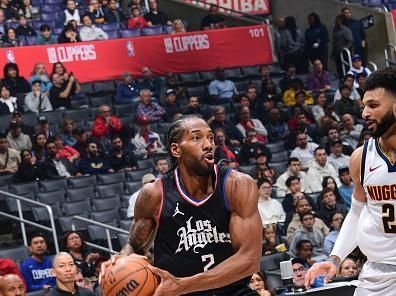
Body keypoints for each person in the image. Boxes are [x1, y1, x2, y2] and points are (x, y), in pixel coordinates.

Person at [102, 115, 262, 295]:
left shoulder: (236, 185)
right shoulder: (154, 194)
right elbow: (134, 246)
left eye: (210, 137)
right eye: (196, 137)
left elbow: (249, 260)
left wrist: (184, 284)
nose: (208, 144)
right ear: (176, 150)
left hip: (233, 292)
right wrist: (118, 264)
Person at [305, 68, 396, 295]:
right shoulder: (361, 158)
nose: (365, 113)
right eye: (364, 105)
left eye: (374, 106)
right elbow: (356, 213)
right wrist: (335, 259)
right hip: (377, 274)